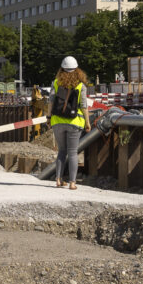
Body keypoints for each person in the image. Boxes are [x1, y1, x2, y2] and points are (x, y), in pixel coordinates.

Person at [49, 55, 89, 190]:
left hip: (57, 121)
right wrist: (88, 122)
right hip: (75, 121)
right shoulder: (80, 85)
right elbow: (84, 106)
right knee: (72, 152)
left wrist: (49, 118)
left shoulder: (55, 82)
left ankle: (58, 180)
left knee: (61, 151)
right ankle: (72, 183)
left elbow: (51, 102)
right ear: (77, 70)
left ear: (62, 69)